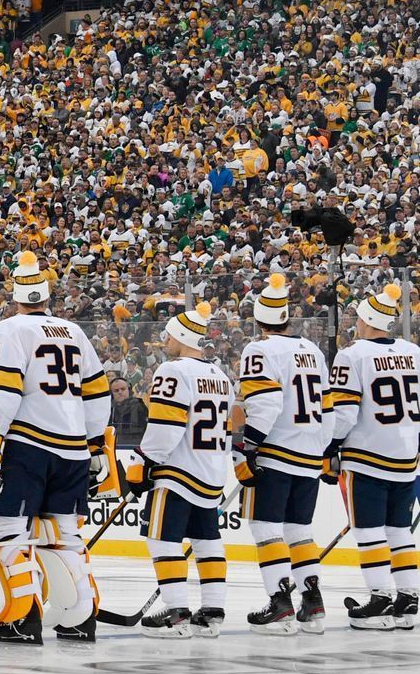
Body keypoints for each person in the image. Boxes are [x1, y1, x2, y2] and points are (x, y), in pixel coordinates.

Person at [0, 251, 110, 645]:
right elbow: (97, 394)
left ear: (15, 296)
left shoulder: (9, 330)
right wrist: (94, 444)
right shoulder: (74, 333)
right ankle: (80, 617)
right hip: (74, 449)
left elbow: (0, 389)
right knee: (65, 534)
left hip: (28, 447)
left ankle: (20, 618)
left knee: (9, 531)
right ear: (47, 297)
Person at [126, 302, 233, 638]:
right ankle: (212, 610)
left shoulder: (173, 371)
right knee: (207, 540)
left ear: (182, 336)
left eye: (168, 335)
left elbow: (165, 427)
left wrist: (143, 460)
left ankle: (176, 614)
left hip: (177, 472)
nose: (165, 340)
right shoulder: (220, 376)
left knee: (162, 540)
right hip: (211, 471)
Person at [236, 273, 333, 634]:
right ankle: (313, 601)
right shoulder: (312, 350)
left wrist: (250, 446)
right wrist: (321, 447)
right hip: (309, 451)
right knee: (299, 530)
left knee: (265, 527)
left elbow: (265, 403)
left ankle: (280, 605)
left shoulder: (258, 349)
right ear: (287, 317)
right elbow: (329, 406)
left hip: (276, 451)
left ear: (258, 318)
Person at [326, 284, 420, 629]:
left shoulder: (352, 355)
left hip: (367, 454)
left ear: (366, 319)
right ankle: (408, 598)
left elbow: (346, 413)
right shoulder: (413, 351)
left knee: (368, 530)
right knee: (399, 530)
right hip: (406, 455)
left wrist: (329, 445)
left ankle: (380, 598)